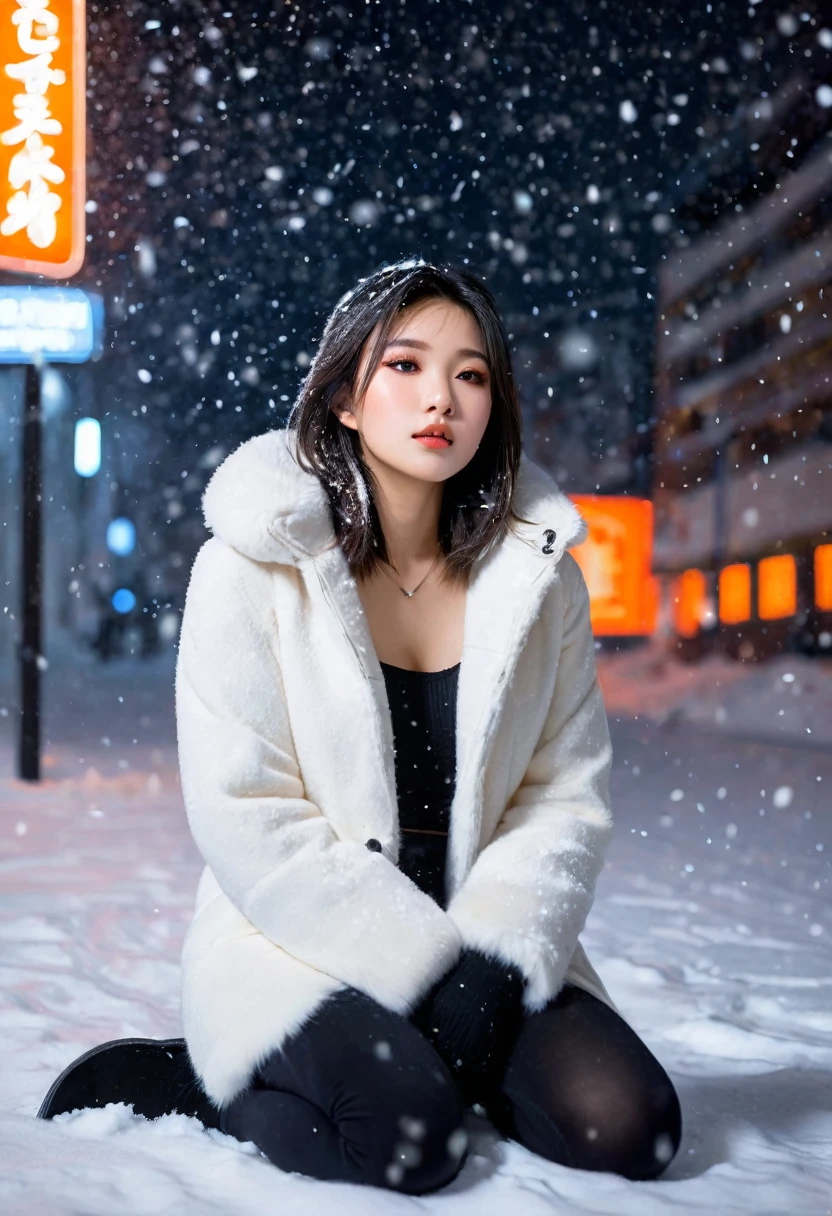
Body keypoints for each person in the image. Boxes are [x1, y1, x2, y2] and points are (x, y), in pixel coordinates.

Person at [38, 259, 682, 1193]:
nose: (441, 400)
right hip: (297, 941)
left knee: (633, 1128)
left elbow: (564, 796)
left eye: (470, 376)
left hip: (483, 942)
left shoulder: (541, 582)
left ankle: (442, 1060)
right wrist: (418, 966)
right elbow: (247, 811)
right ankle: (228, 1079)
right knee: (408, 1144)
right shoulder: (252, 568)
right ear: (343, 396)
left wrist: (494, 964)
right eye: (406, 366)